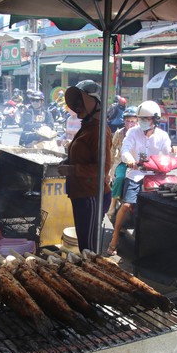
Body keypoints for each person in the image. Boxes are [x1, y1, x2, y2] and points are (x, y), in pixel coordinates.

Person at [107, 100, 177, 256]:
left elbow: (168, 154)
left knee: (164, 207)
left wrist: (174, 151)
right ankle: (114, 238)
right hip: (136, 174)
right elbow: (125, 149)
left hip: (156, 176)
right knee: (127, 205)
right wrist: (129, 160)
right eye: (141, 118)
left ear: (155, 120)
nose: (142, 121)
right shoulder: (133, 132)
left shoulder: (163, 136)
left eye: (146, 119)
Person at [57, 80, 111, 252]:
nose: (77, 106)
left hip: (92, 196)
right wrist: (68, 162)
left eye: (82, 102)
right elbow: (83, 157)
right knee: (84, 246)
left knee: (89, 250)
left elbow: (101, 168)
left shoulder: (98, 130)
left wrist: (71, 170)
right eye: (76, 103)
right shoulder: (87, 127)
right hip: (81, 195)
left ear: (95, 103)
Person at [107, 106, 138, 218]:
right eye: (128, 121)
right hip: (122, 162)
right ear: (124, 121)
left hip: (138, 164)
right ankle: (112, 204)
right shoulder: (119, 133)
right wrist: (110, 166)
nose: (130, 124)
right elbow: (113, 148)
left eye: (133, 122)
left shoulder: (140, 133)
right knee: (119, 178)